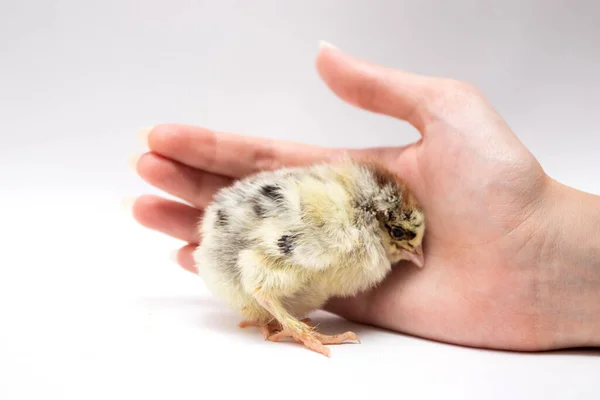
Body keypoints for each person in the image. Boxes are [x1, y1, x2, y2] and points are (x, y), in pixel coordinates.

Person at [128, 42, 599, 351]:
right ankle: (285, 322)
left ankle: (277, 318)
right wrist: (296, 324)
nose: (413, 252)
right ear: (380, 221)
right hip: (246, 263)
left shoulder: (348, 221)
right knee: (276, 268)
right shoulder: (341, 223)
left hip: (234, 254)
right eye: (405, 238)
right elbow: (263, 264)